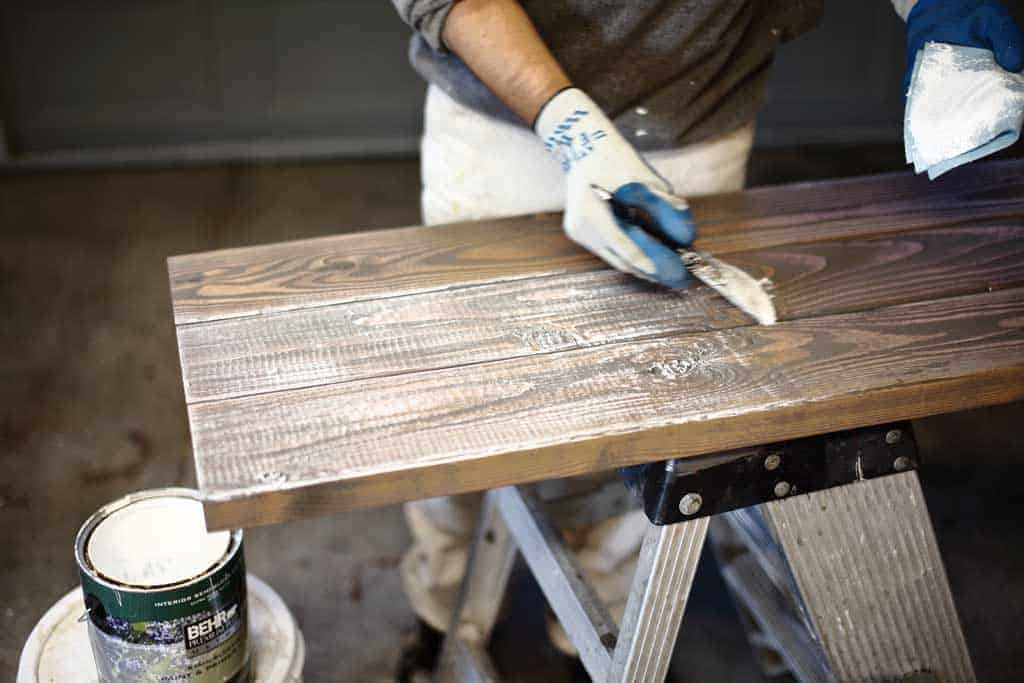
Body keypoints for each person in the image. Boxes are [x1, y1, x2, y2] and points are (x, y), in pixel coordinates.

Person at [388, 0, 1024, 676]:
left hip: (696, 121)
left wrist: (936, 4)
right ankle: (438, 609)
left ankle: (588, 634)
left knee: (651, 413)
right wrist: (575, 130)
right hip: (503, 122)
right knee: (467, 413)